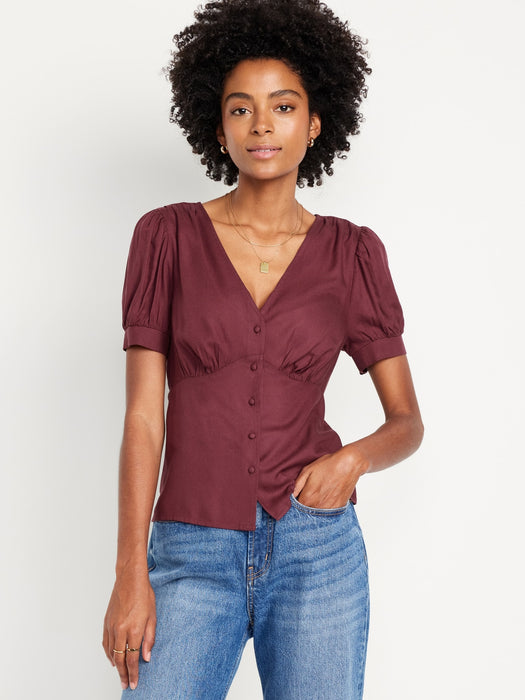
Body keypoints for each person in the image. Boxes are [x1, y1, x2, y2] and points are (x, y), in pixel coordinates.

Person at [102, 0, 424, 697]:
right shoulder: (166, 237)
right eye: (240, 108)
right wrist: (130, 574)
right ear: (218, 126)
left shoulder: (353, 253)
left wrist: (352, 460)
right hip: (191, 548)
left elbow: (407, 422)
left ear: (314, 123)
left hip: (317, 550)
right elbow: (143, 417)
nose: (261, 125)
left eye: (282, 106)